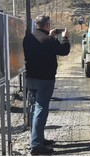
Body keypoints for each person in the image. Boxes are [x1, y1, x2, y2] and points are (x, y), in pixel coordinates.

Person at [23, 15, 70, 155]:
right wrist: (65, 38)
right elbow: (64, 50)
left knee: (34, 108)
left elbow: (40, 49)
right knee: (41, 109)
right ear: (48, 24)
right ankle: (36, 145)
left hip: (31, 78)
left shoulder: (28, 38)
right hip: (45, 80)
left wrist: (51, 37)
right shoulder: (50, 40)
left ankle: (37, 138)